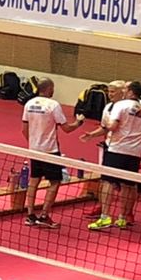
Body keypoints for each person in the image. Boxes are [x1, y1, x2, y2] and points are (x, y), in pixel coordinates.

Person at [87, 80, 141, 231]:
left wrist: (106, 125)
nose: (124, 91)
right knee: (129, 185)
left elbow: (113, 126)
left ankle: (105, 217)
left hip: (116, 149)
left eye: (126, 89)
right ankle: (123, 218)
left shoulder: (120, 105)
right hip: (134, 151)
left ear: (131, 92)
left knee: (107, 181)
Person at [20, 78, 81, 227]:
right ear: (49, 89)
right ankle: (44, 215)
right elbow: (66, 129)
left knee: (34, 180)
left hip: (34, 150)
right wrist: (79, 122)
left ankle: (30, 215)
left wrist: (34, 143)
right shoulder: (53, 105)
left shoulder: (29, 104)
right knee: (55, 182)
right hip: (50, 151)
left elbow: (24, 130)